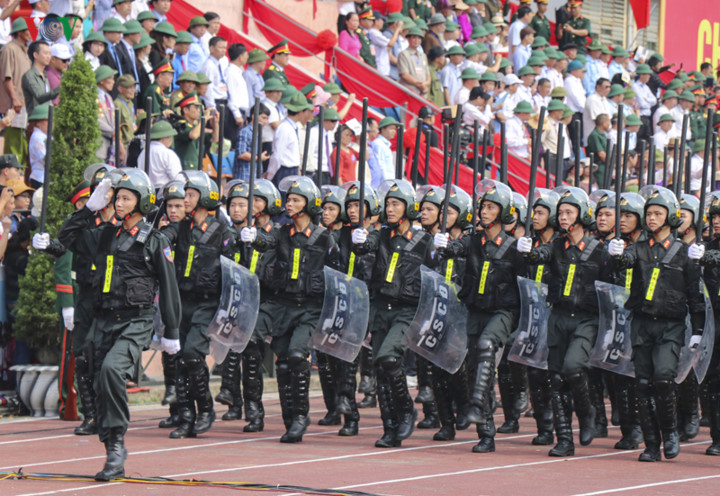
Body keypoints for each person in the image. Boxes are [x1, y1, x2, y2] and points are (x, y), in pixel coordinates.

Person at [57, 169, 181, 481]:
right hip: (103, 321)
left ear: (142, 202)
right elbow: (67, 238)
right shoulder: (106, 235)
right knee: (98, 379)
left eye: (126, 198)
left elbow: (168, 289)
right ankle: (112, 449)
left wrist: (172, 332)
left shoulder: (155, 241)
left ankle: (116, 449)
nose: (119, 203)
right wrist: (89, 208)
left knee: (112, 370)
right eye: (116, 198)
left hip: (135, 321)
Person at [608, 187, 705, 462]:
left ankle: (671, 433)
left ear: (670, 217)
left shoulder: (685, 253)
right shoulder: (637, 249)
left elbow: (695, 296)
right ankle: (651, 444)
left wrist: (697, 330)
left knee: (663, 380)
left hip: (670, 326)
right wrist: (615, 254)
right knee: (642, 384)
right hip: (641, 323)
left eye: (658, 213)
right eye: (648, 213)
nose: (651, 218)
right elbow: (623, 264)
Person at [518, 187, 613, 457]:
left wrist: (619, 260)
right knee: (557, 378)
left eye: (568, 212)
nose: (562, 217)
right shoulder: (557, 246)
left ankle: (587, 413)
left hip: (587, 319)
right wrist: (528, 252)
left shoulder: (599, 250)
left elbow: (612, 285)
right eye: (560, 212)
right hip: (559, 316)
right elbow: (541, 255)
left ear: (582, 215)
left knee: (573, 368)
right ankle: (564, 439)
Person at [243, 176, 339, 442]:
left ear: (309, 204)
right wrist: (254, 238)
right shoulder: (282, 232)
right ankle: (288, 418)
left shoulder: (324, 238)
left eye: (296, 200)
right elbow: (267, 242)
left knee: (298, 356)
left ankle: (300, 417)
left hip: (310, 309)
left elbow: (339, 272)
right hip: (284, 306)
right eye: (289, 199)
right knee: (282, 363)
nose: (290, 203)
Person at [434, 180, 525, 453]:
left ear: (504, 212)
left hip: (503, 311)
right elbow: (456, 249)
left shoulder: (514, 247)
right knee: (475, 370)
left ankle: (476, 404)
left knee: (487, 346)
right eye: (482, 207)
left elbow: (529, 279)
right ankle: (486, 431)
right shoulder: (473, 240)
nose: (484, 212)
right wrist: (444, 245)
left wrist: (531, 255)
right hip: (475, 311)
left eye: (490, 207)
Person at [352, 180, 436, 448]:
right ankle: (390, 427)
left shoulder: (424, 241)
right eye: (387, 203)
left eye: (396, 204)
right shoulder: (380, 235)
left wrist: (446, 248)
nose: (389, 209)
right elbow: (366, 247)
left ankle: (406, 408)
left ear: (409, 208)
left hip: (407, 311)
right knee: (380, 368)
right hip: (381, 309)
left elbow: (439, 276)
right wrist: (360, 239)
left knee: (389, 357)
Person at [160, 171, 236, 439]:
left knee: (192, 353)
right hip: (181, 302)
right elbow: (164, 239)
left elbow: (234, 271)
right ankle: (185, 415)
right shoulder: (181, 227)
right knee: (178, 359)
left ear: (205, 198)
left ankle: (205, 409)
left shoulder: (223, 232)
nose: (186, 199)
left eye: (191, 195)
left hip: (208, 304)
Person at [0, 19, 32, 165]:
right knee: (12, 145)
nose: (32, 32)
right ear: (19, 32)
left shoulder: (25, 50)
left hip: (23, 103)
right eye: (28, 29)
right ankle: (10, 179)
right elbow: (7, 77)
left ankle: (18, 177)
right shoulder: (9, 48)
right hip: (13, 105)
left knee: (21, 143)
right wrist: (15, 99)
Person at [267, 92, 311, 185]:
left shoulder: (291, 127)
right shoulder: (284, 128)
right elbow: (277, 155)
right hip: (284, 171)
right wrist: (270, 175)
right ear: (300, 112)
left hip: (292, 170)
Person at [172, 91, 218, 171]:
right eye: (196, 108)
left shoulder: (196, 127)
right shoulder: (180, 125)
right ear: (186, 110)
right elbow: (193, 135)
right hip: (184, 168)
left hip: (196, 168)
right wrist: (204, 119)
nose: (199, 111)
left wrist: (216, 123)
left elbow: (215, 139)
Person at [235, 103, 270, 181]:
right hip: (244, 177)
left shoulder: (258, 133)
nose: (266, 121)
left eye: (267, 119)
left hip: (255, 176)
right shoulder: (245, 132)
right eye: (263, 118)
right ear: (253, 116)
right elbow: (241, 153)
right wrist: (259, 158)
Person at [95, 65, 120, 164]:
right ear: (101, 80)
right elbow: (97, 120)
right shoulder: (92, 96)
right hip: (98, 144)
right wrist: (112, 132)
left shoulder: (108, 97)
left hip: (110, 144)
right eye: (110, 79)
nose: (113, 82)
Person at [398, 27, 430, 97]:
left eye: (419, 38)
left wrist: (425, 84)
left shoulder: (423, 55)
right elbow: (404, 75)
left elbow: (428, 74)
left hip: (422, 93)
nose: (416, 40)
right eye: (414, 37)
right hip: (410, 92)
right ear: (408, 39)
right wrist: (419, 84)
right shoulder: (404, 54)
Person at [368, 116, 398, 188]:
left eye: (394, 129)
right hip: (383, 185)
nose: (394, 131)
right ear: (382, 129)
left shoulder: (385, 145)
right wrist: (387, 185)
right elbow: (380, 165)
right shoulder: (378, 144)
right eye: (391, 128)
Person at [27, 104, 49, 190]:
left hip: (47, 179)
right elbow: (46, 159)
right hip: (40, 179)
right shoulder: (37, 137)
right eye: (48, 120)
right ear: (38, 122)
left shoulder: (46, 135)